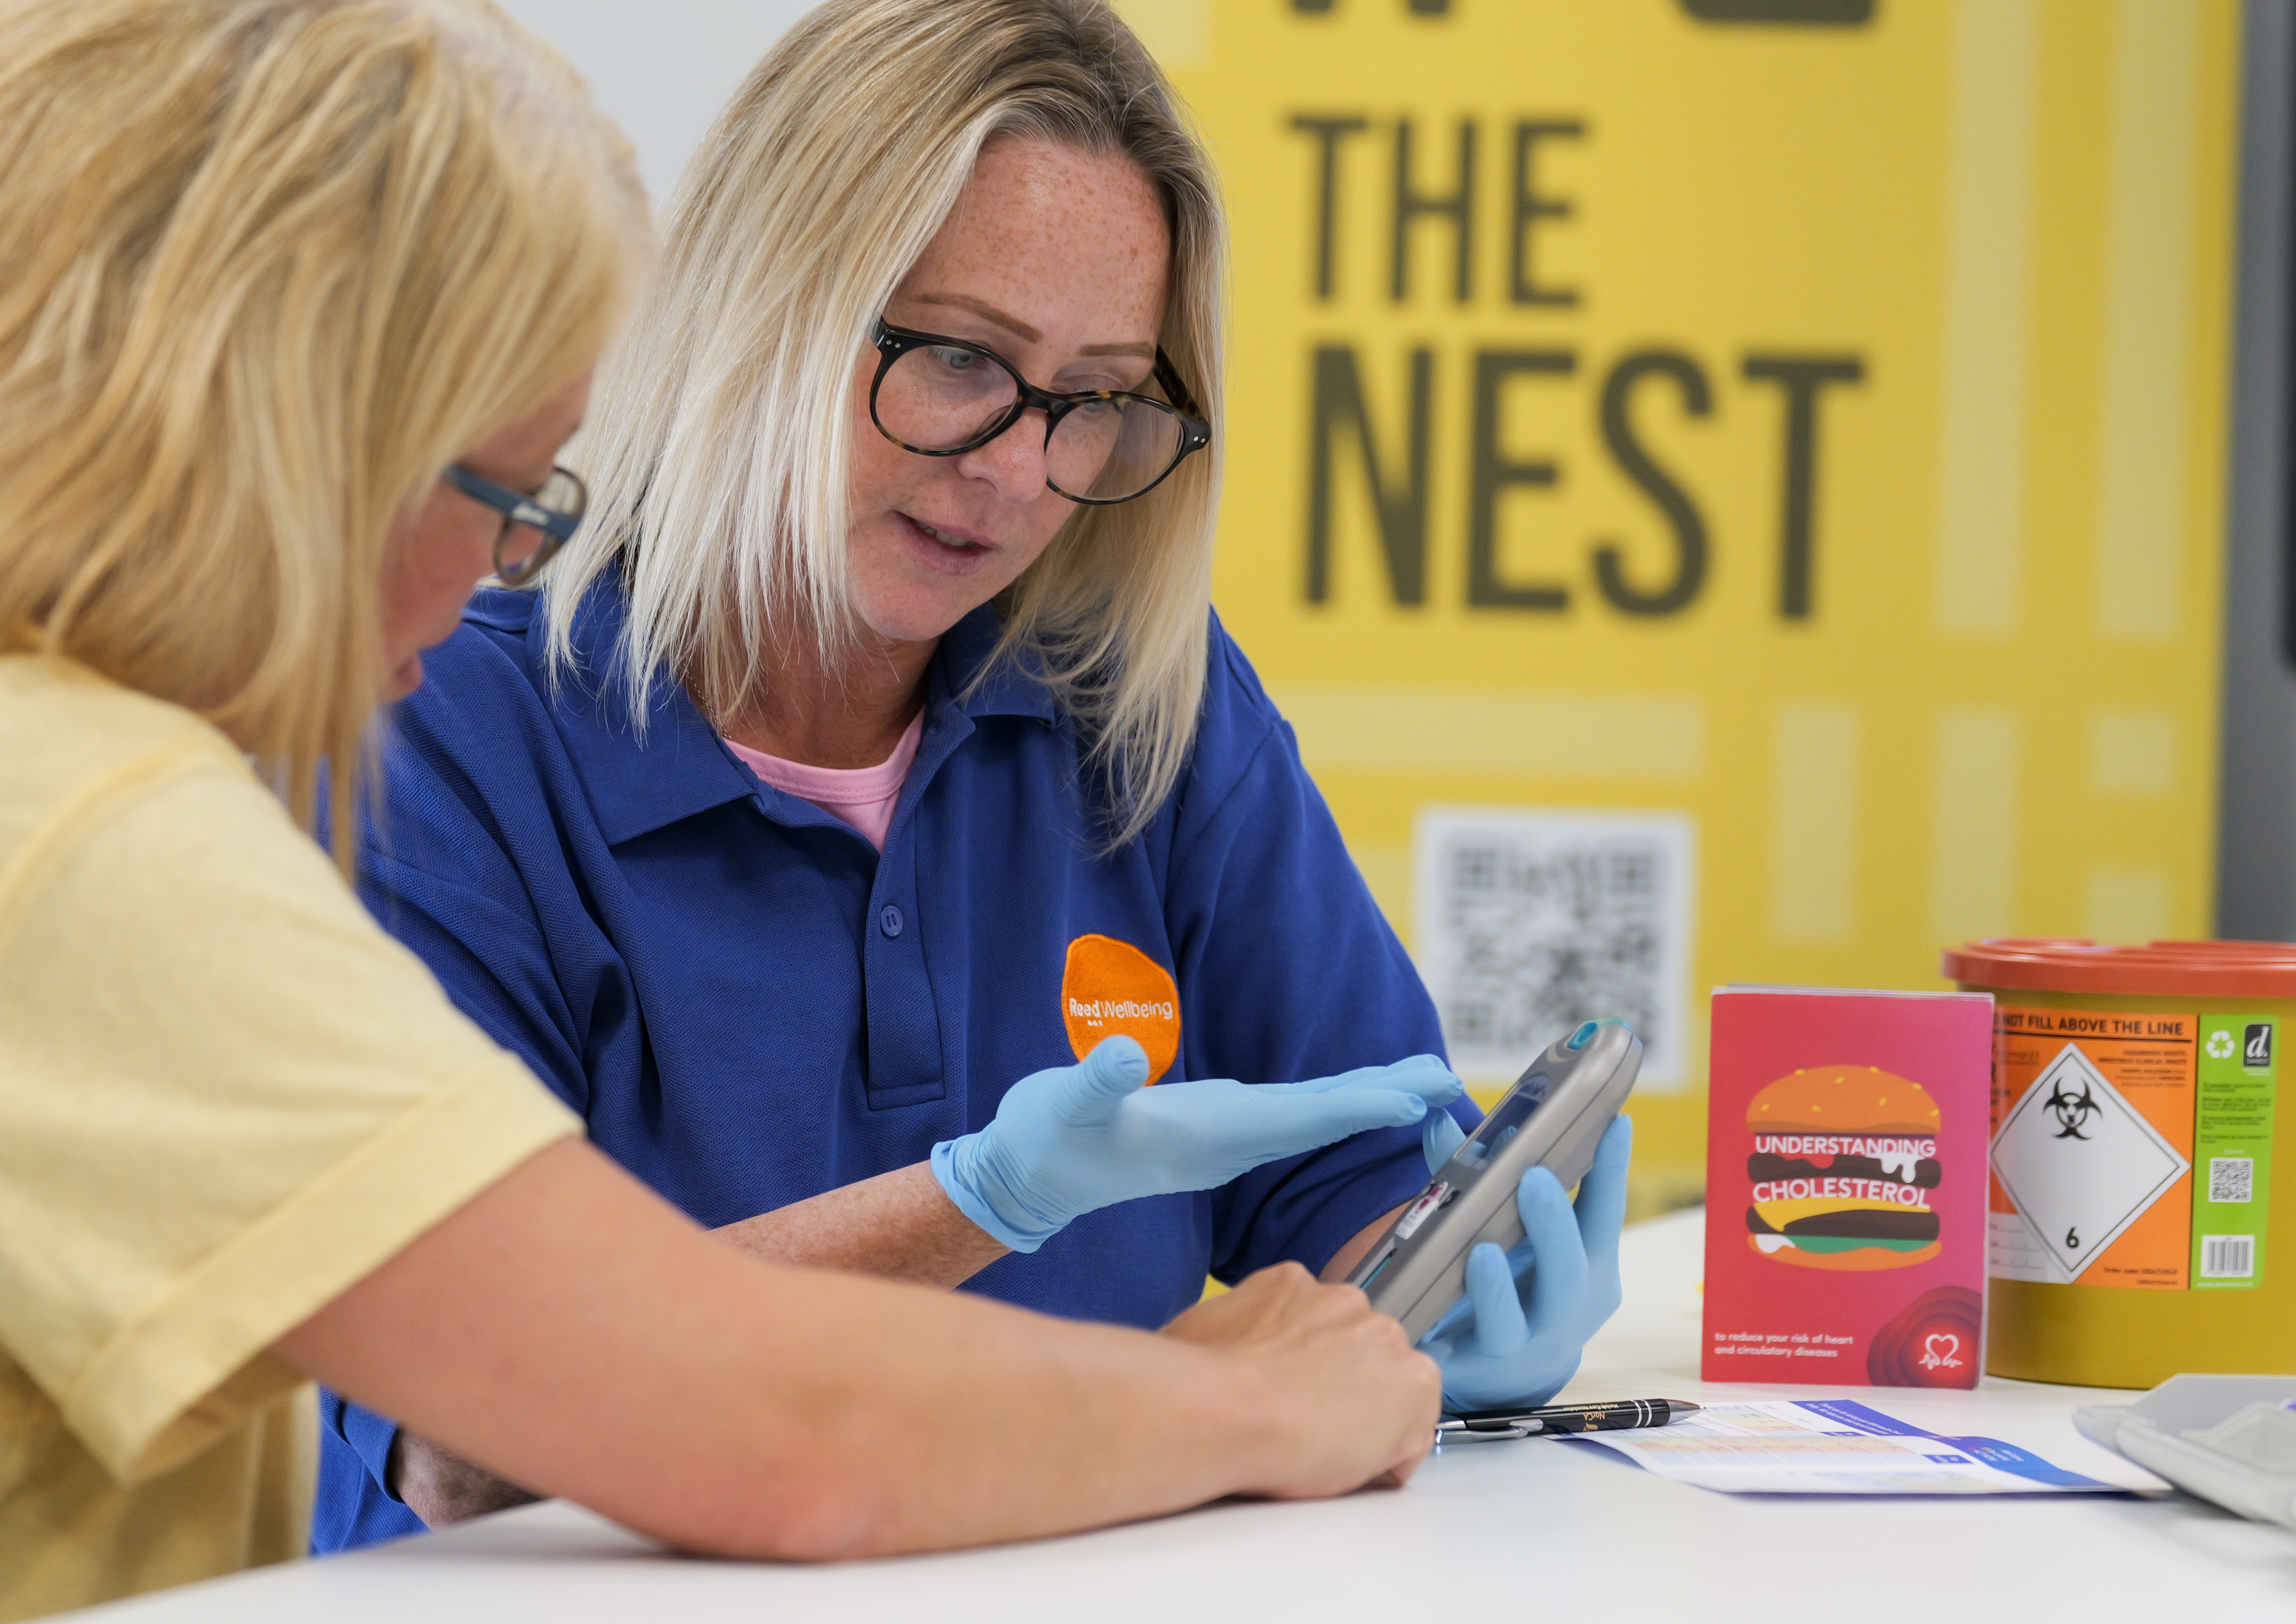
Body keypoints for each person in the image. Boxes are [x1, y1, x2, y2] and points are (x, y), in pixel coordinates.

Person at [0, 3, 1456, 1618]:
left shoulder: (63, 786)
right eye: (502, 489)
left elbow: (1374, 1177)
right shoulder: (87, 839)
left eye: (1093, 398)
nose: (510, 561)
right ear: (281, 428)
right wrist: (1236, 1395)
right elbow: (675, 1420)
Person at [316, 0, 1633, 1550]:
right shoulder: (444, 732)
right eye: (956, 358)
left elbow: (1347, 1198)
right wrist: (979, 1204)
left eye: (1095, 398)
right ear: (760, 302)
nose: (1017, 472)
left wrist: (1446, 1284)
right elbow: (465, 1432)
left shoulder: (1133, 701)